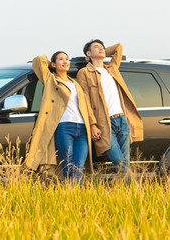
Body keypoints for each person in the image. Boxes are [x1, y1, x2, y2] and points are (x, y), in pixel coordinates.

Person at [24, 52, 94, 183]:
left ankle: (74, 197)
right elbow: (38, 61)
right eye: (61, 59)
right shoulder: (50, 80)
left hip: (83, 129)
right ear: (53, 64)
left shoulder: (76, 84)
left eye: (67, 59)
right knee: (68, 166)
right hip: (65, 128)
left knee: (78, 167)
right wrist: (49, 62)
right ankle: (70, 195)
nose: (65, 62)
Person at [76, 40, 143, 177]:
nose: (101, 49)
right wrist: (93, 125)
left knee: (125, 162)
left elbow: (119, 47)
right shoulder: (84, 73)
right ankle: (135, 191)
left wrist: (101, 53)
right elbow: (85, 101)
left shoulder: (112, 68)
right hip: (104, 123)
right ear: (88, 53)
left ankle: (125, 193)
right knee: (120, 162)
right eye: (96, 47)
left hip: (122, 120)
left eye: (102, 47)